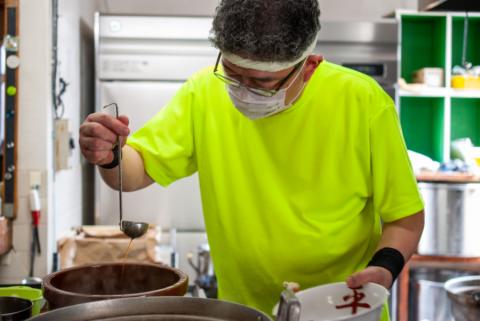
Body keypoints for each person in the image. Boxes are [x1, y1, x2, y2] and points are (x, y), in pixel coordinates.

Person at [79, 0, 424, 319]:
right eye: (231, 73)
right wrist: (109, 155)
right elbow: (135, 172)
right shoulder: (203, 92)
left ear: (309, 66)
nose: (242, 91)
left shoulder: (364, 103)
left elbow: (405, 218)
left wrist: (385, 268)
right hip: (243, 311)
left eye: (262, 82)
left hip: (344, 310)